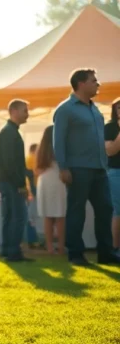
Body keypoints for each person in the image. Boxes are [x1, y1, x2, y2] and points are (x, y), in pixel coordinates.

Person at [53, 69, 120, 265]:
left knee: (105, 210)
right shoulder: (65, 109)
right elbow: (58, 141)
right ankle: (75, 254)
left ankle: (106, 253)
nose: (98, 84)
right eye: (94, 81)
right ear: (81, 84)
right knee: (77, 211)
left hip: (100, 170)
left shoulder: (95, 109)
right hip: (77, 170)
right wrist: (63, 168)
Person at [0, 99, 34, 263]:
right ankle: (13, 252)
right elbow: (11, 163)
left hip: (8, 181)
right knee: (18, 217)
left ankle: (8, 250)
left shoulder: (9, 132)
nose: (28, 114)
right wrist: (21, 184)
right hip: (11, 183)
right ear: (14, 111)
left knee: (10, 216)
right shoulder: (10, 133)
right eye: (25, 111)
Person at [35, 126, 67, 255]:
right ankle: (61, 247)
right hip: (58, 180)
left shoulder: (40, 150)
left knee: (48, 216)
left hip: (44, 182)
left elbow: (36, 170)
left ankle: (49, 247)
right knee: (60, 216)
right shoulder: (61, 148)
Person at [106, 98, 120, 251]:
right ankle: (116, 248)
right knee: (118, 211)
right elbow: (110, 151)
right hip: (117, 172)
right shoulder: (110, 127)